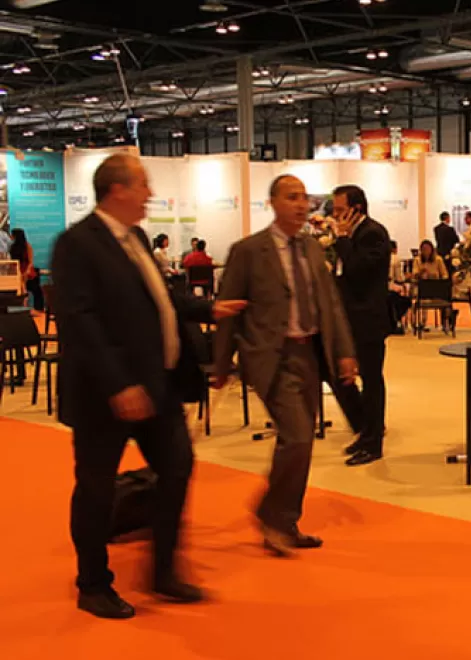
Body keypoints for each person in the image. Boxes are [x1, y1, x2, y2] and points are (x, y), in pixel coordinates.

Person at [53, 153, 247, 619]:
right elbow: (79, 322)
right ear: (117, 190)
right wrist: (119, 385)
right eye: (143, 185)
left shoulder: (136, 238)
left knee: (177, 467)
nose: (150, 194)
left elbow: (161, 298)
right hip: (104, 395)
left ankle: (163, 572)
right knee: (96, 487)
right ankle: (93, 584)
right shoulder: (77, 244)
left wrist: (209, 310)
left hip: (157, 385)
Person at [213, 174, 358, 554]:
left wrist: (344, 351)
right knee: (297, 436)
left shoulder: (311, 249)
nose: (300, 204)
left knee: (302, 440)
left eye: (304, 197)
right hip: (271, 356)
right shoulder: (248, 251)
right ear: (273, 203)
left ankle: (285, 521)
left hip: (310, 354)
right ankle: (272, 516)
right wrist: (220, 364)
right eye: (292, 197)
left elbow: (330, 304)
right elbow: (228, 310)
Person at [329, 184, 391, 466]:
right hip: (349, 318)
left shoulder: (373, 233)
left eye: (340, 210)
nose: (335, 215)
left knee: (371, 379)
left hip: (368, 319)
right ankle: (365, 430)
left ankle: (373, 441)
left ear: (357, 209)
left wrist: (342, 239)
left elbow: (357, 270)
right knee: (341, 375)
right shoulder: (353, 234)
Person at [412, 239, 450, 332]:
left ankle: (446, 322)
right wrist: (420, 273)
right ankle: (421, 322)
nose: (426, 251)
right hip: (423, 286)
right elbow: (414, 274)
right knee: (420, 297)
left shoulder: (438, 259)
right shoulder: (417, 260)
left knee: (446, 296)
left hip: (436, 286)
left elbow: (445, 275)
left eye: (428, 249)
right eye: (423, 249)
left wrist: (437, 278)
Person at [9, 228, 44, 311]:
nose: (10, 237)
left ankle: (38, 308)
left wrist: (27, 271)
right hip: (16, 270)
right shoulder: (12, 247)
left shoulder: (27, 246)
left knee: (36, 290)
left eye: (12, 235)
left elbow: (30, 261)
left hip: (27, 271)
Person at [387, 240, 412, 335]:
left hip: (379, 290)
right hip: (391, 289)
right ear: (395, 249)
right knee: (406, 301)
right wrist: (407, 277)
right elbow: (399, 278)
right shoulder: (396, 259)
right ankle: (396, 320)